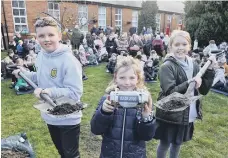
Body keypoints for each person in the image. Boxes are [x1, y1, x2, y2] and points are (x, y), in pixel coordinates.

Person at [12, 17, 83, 158]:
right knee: (62, 152)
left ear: (59, 36)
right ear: (36, 38)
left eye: (51, 35)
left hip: (68, 117)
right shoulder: (41, 56)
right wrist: (24, 74)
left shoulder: (69, 60)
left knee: (71, 155)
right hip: (50, 115)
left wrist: (48, 91)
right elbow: (40, 77)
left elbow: (75, 93)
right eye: (41, 36)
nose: (46, 39)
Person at [154, 30, 216, 158]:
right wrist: (190, 82)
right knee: (165, 143)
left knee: (177, 143)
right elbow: (170, 92)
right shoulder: (167, 67)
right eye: (177, 45)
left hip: (187, 112)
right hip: (170, 113)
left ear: (189, 46)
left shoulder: (193, 64)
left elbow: (203, 90)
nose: (180, 48)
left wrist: (209, 72)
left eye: (184, 44)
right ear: (170, 47)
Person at [91, 56, 156, 158]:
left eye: (132, 78)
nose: (127, 82)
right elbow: (96, 129)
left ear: (138, 78)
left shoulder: (142, 102)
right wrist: (104, 112)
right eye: (122, 77)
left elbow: (147, 136)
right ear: (115, 77)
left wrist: (146, 118)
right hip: (110, 154)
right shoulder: (108, 99)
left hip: (135, 155)